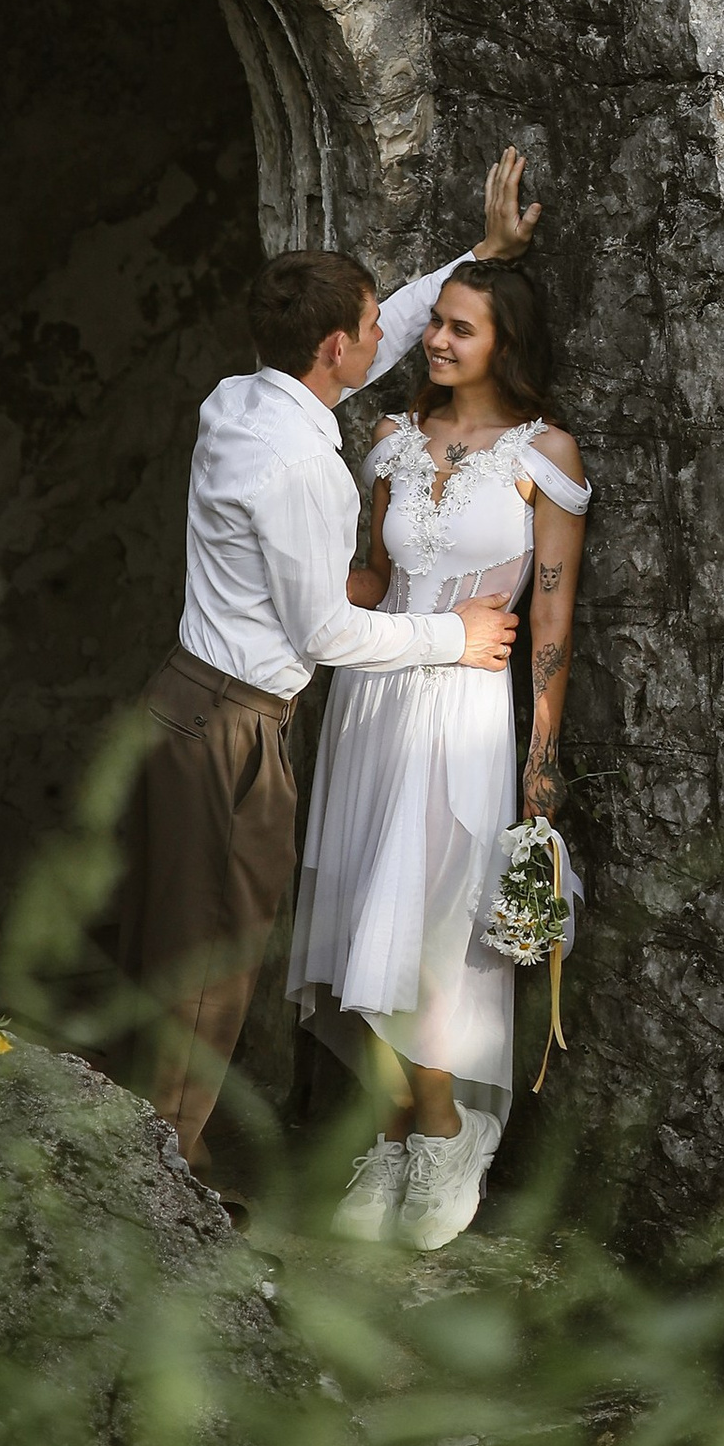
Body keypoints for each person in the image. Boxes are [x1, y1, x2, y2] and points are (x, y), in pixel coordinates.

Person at [116, 153, 542, 1175]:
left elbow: (377, 324)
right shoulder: (306, 465)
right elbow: (324, 633)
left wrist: (478, 256)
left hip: (184, 705)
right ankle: (157, 1192)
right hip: (231, 730)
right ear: (332, 349)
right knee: (212, 967)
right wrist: (458, 637)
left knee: (170, 948)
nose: (398, 338)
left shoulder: (242, 400)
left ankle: (146, 1160)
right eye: (369, 328)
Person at [289, 236, 589, 1250]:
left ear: (505, 344)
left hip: (463, 719)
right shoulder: (387, 439)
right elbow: (370, 581)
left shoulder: (544, 457)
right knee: (355, 924)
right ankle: (388, 1129)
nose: (437, 340)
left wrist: (540, 755)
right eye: (434, 323)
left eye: (461, 327)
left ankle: (447, 1125)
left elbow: (550, 620)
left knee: (427, 928)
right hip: (370, 702)